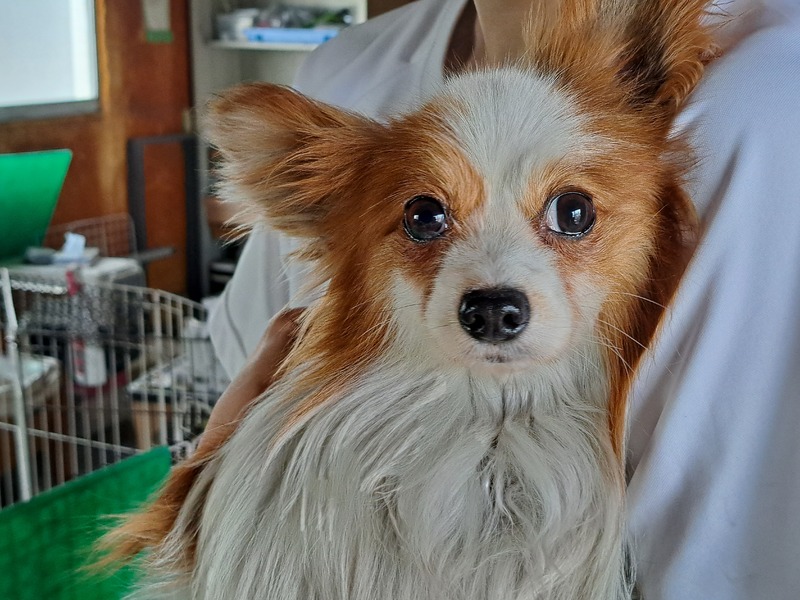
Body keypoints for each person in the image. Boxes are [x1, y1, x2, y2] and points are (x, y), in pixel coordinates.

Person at [207, 0, 800, 597]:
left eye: (571, 214)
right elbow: (248, 382)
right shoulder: (344, 64)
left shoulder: (769, 99)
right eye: (427, 219)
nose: (494, 292)